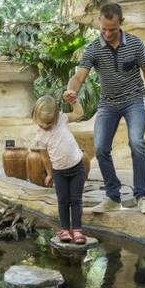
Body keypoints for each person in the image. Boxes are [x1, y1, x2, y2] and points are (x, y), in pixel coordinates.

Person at [63, 3, 145, 215]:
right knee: (100, 148)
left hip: (134, 99)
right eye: (104, 29)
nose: (107, 34)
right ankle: (112, 196)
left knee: (136, 142)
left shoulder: (135, 44)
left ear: (121, 24)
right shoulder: (93, 48)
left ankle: (142, 196)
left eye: (112, 29)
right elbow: (80, 75)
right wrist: (71, 90)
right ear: (99, 23)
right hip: (108, 103)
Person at [32, 95, 86, 244]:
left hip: (77, 168)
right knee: (62, 201)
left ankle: (77, 230)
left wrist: (74, 102)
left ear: (56, 115)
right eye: (42, 123)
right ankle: (64, 229)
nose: (45, 127)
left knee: (76, 200)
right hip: (59, 173)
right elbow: (45, 157)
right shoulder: (40, 136)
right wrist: (49, 174)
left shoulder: (62, 119)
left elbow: (79, 113)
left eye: (49, 124)